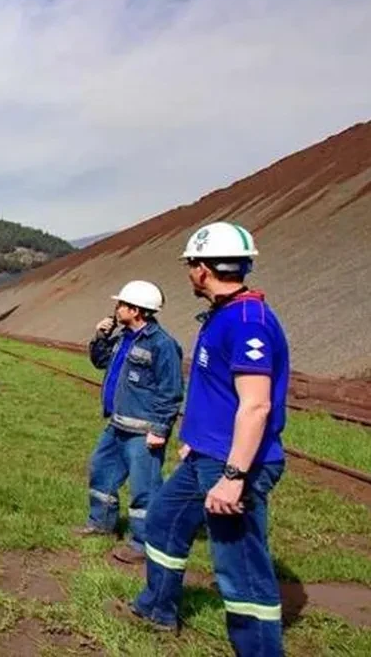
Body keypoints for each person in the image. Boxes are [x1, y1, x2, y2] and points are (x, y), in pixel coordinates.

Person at [130, 222, 290, 656]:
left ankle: (258, 650)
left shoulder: (247, 323)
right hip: (206, 456)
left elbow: (255, 405)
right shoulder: (225, 315)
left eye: (190, 266)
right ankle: (157, 607)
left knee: (239, 566)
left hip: (233, 464)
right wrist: (196, 441)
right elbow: (219, 391)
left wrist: (235, 476)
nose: (188, 274)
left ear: (203, 269)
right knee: (162, 521)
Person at [77, 280, 184, 563]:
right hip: (117, 424)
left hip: (143, 430)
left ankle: (143, 544)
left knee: (144, 489)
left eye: (121, 305)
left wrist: (160, 429)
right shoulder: (124, 338)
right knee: (101, 471)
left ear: (136, 310)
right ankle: (101, 524)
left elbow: (171, 391)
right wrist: (100, 336)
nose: (116, 308)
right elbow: (100, 361)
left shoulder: (162, 344)